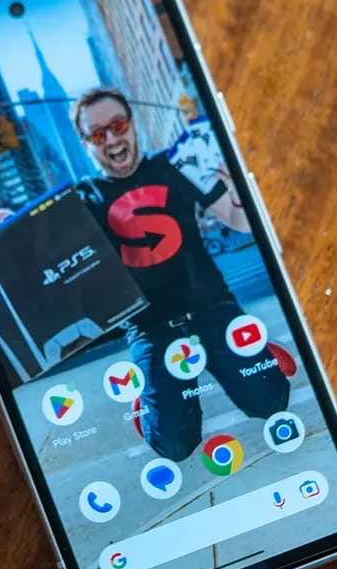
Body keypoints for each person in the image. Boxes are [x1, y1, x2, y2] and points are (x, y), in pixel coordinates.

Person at [73, 88, 289, 461]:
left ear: (132, 125)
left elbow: (239, 223)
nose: (111, 139)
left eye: (118, 125)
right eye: (97, 134)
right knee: (174, 447)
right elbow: (39, 251)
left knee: (272, 402)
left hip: (212, 307)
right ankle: (152, 398)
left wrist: (240, 192)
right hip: (151, 328)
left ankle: (259, 353)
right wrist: (1, 224)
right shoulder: (81, 199)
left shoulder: (176, 166)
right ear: (86, 145)